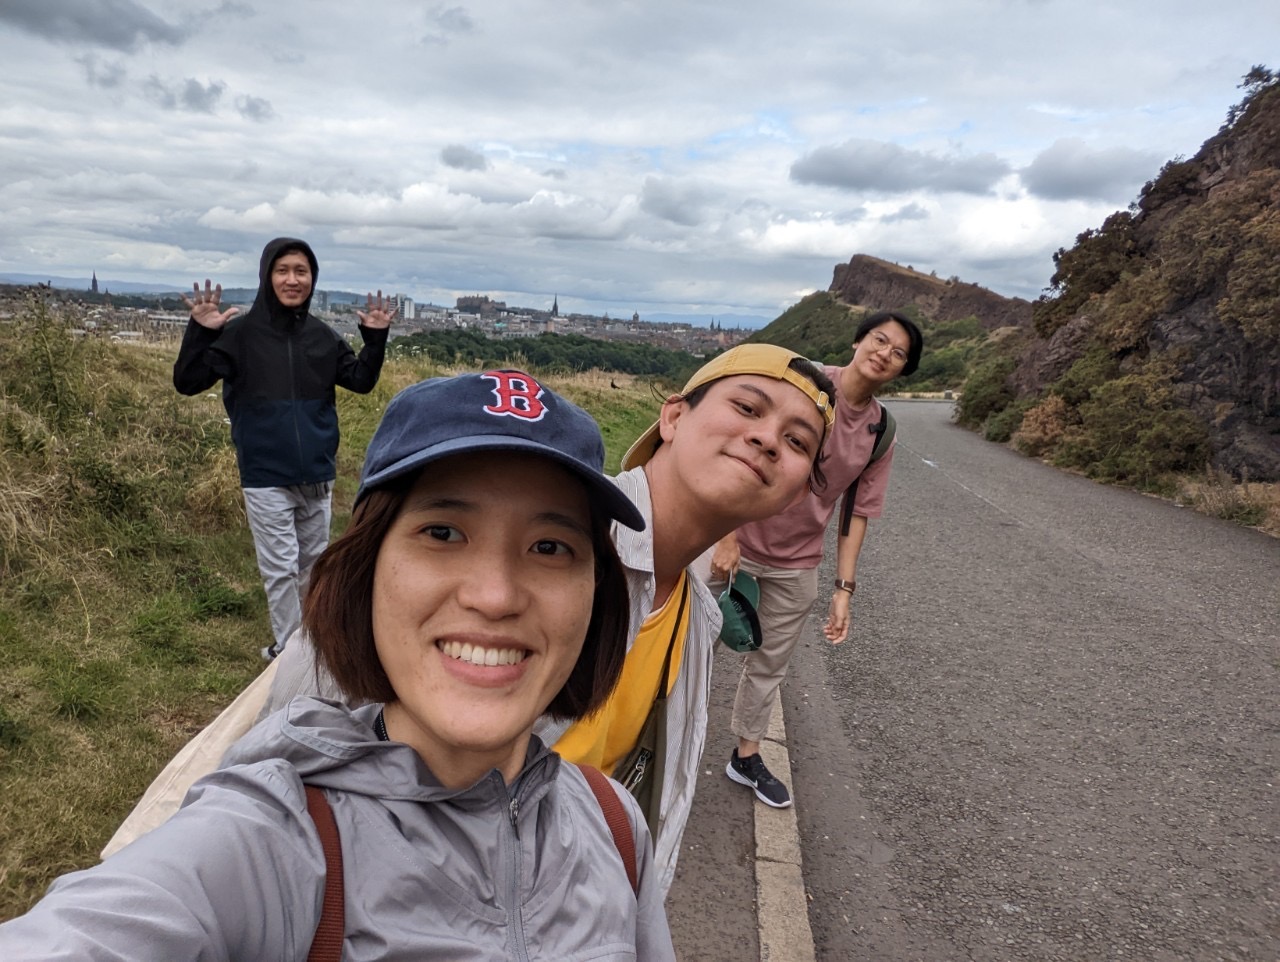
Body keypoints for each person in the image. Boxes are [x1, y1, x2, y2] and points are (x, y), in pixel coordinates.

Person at [105, 344, 837, 897]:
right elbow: (272, 755)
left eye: (800, 440)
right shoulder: (478, 568)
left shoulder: (695, 612)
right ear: (672, 416)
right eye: (747, 408)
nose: (770, 438)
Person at [0, 371, 675, 961]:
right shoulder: (270, 843)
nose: (494, 595)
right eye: (442, 533)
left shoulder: (612, 825)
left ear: (597, 596)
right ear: (367, 569)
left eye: (551, 546)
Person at [711, 310, 923, 809]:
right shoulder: (803, 382)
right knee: (689, 647)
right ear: (857, 340)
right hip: (732, 542)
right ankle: (655, 734)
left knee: (768, 667)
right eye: (879, 340)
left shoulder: (880, 432)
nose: (884, 354)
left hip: (796, 561)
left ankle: (746, 756)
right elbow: (744, 450)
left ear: (902, 369)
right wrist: (725, 532)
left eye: (898, 353)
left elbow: (857, 514)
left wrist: (843, 590)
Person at [173, 236, 396, 662]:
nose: (292, 280)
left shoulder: (322, 336)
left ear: (312, 279)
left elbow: (361, 380)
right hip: (265, 472)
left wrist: (376, 340)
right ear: (266, 276)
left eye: (301, 271)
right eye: (283, 270)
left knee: (313, 567)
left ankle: (306, 646)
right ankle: (291, 658)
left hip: (316, 470)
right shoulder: (240, 334)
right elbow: (188, 381)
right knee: (281, 569)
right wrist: (200, 331)